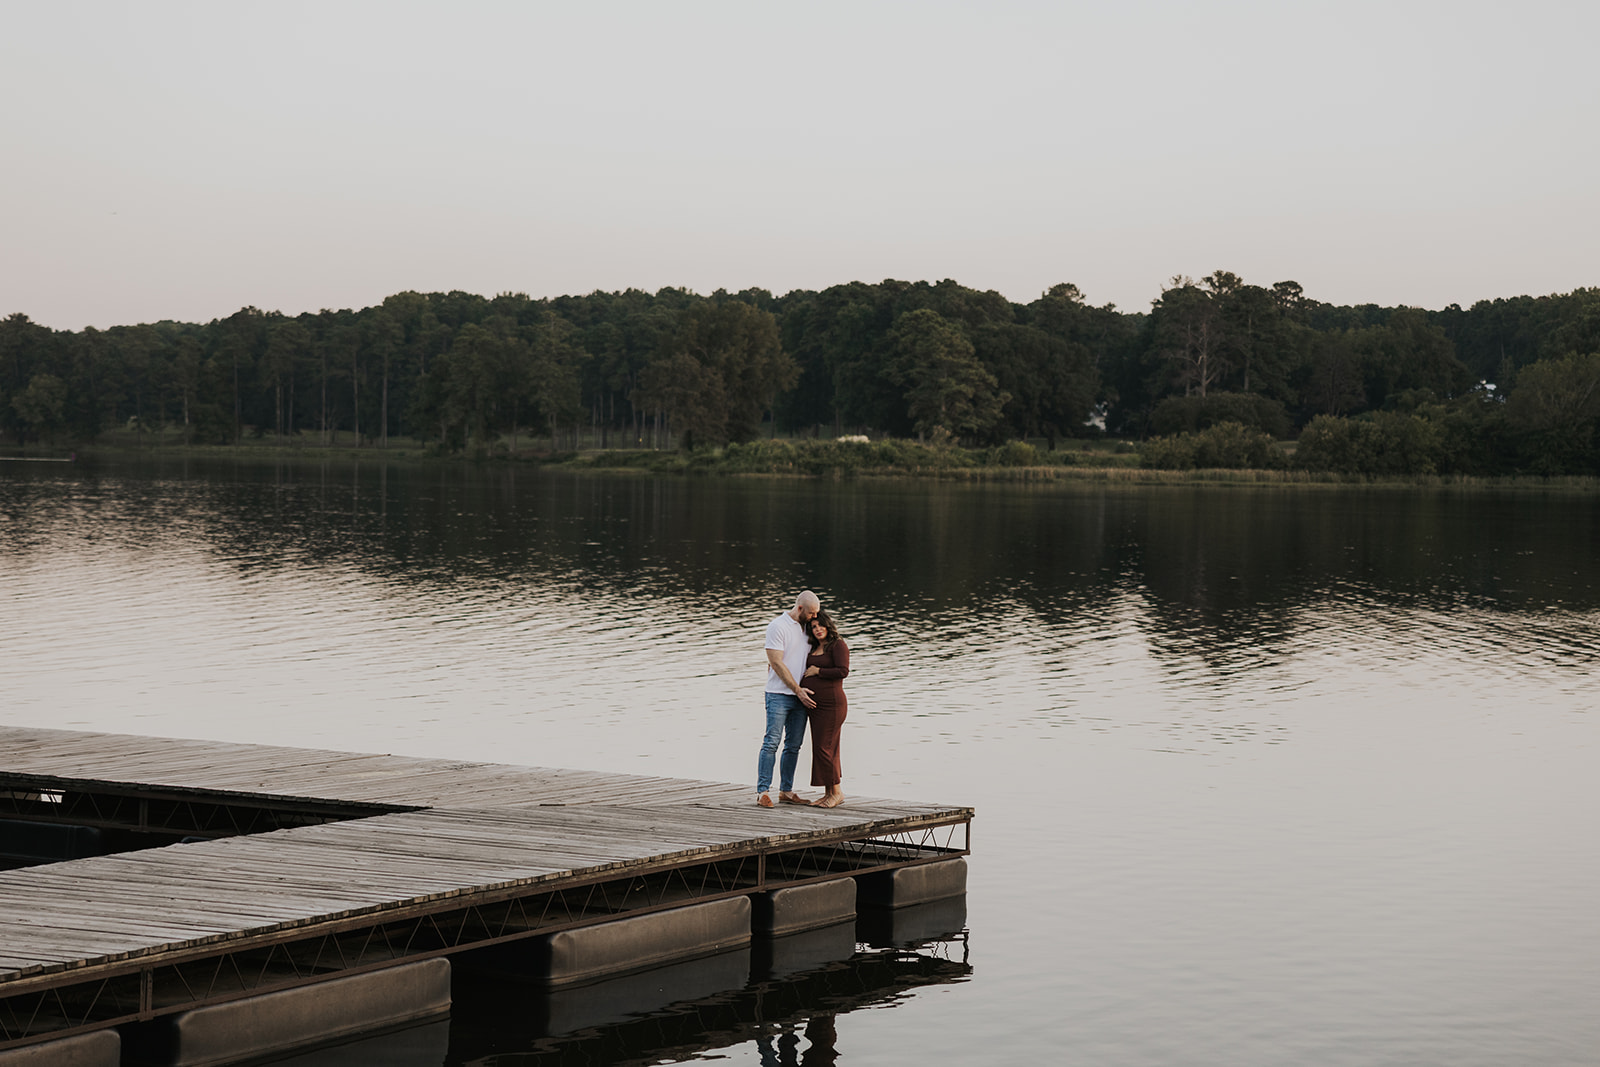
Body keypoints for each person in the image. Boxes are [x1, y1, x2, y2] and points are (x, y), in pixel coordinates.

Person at [758, 591, 820, 808]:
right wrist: (797, 689)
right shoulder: (778, 626)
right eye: (812, 613)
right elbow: (775, 662)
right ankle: (763, 791)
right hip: (778, 694)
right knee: (771, 742)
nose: (815, 617)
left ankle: (786, 791)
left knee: (794, 745)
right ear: (800, 608)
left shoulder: (808, 629)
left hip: (800, 697)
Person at [801, 610, 849, 808]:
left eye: (820, 625)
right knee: (825, 747)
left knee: (825, 747)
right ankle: (828, 793)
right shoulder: (813, 647)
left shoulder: (838, 645)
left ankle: (837, 792)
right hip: (817, 707)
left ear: (828, 625)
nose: (817, 629)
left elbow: (843, 671)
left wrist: (817, 671)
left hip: (832, 705)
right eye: (813, 627)